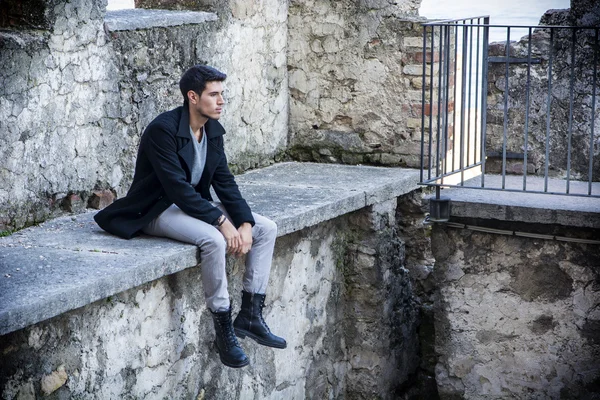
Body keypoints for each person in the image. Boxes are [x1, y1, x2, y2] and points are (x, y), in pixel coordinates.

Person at [94, 65, 286, 368]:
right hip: (156, 209)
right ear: (193, 96)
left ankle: (250, 315)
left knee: (266, 228)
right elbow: (177, 188)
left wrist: (245, 223)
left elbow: (225, 183)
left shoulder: (212, 129)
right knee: (213, 240)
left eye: (222, 94)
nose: (221, 100)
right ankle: (223, 329)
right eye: (214, 94)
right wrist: (222, 223)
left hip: (191, 207)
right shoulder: (163, 130)